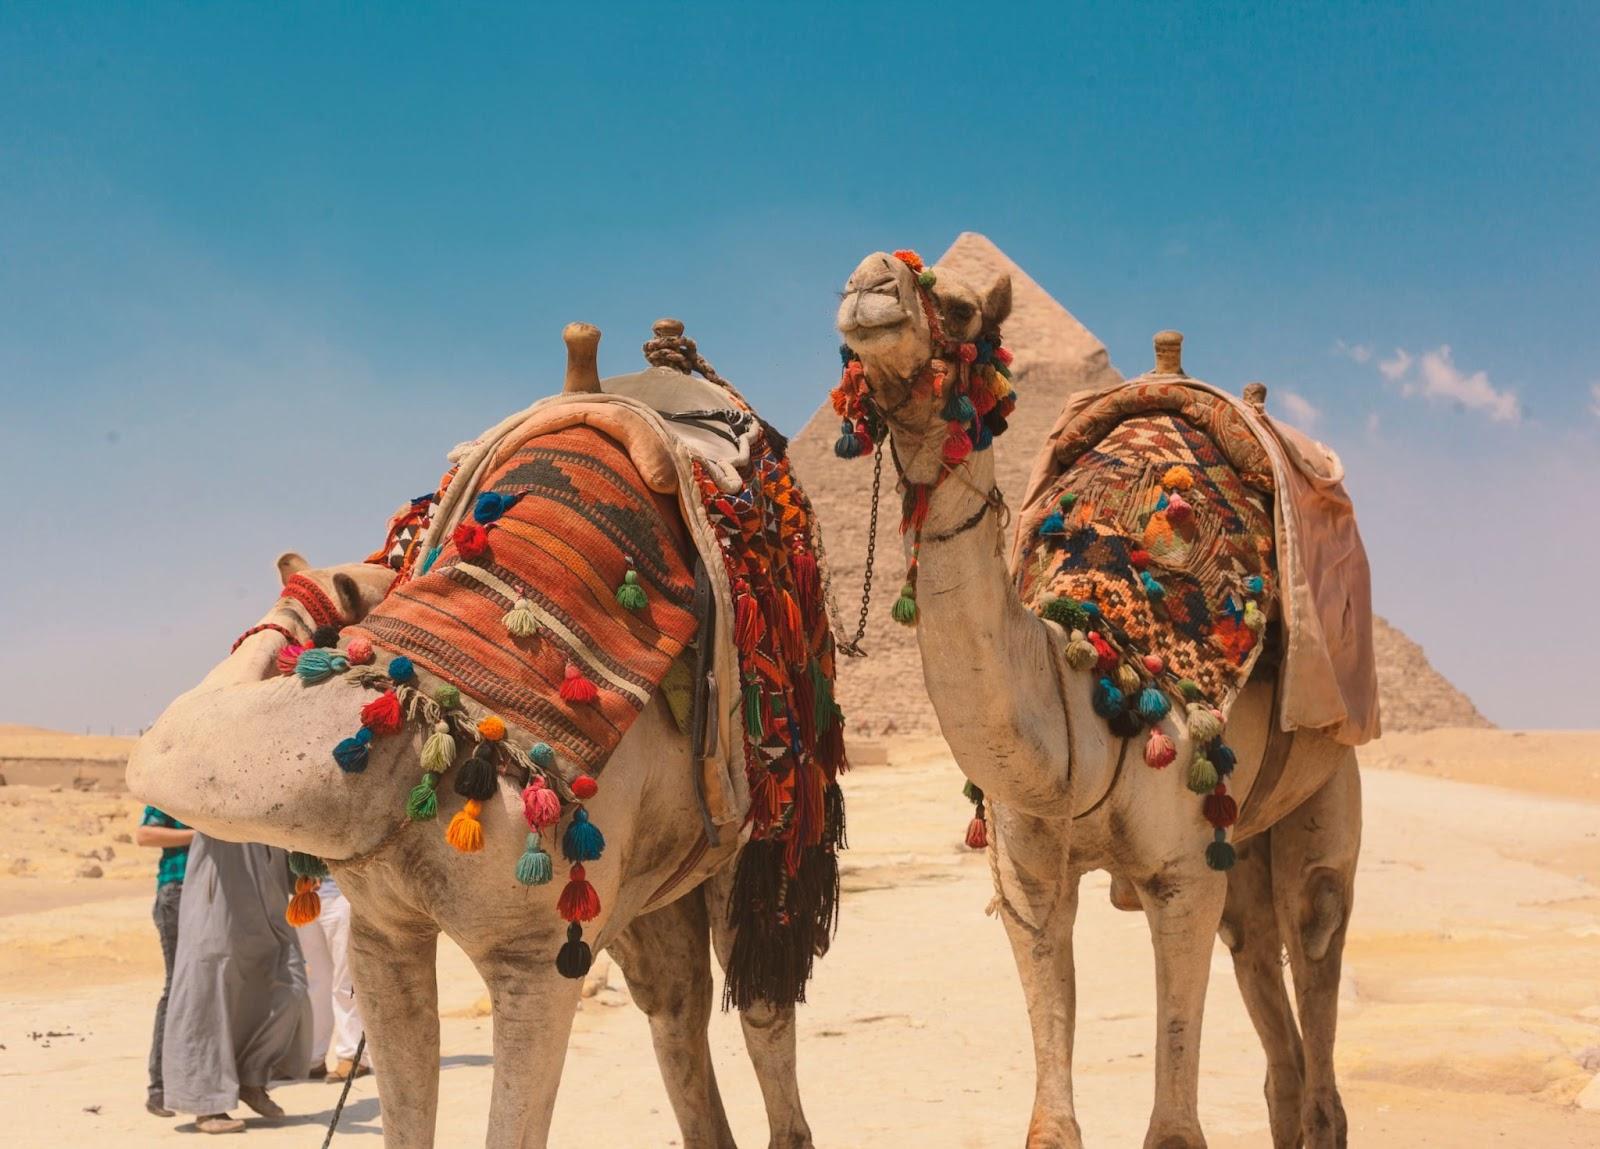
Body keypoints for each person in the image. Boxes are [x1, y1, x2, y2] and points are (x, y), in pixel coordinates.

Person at [160, 835, 312, 1134]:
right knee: (210, 999)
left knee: (291, 989)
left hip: (269, 909)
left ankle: (251, 1078)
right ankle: (207, 1105)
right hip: (219, 903)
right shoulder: (214, 794)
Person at [135, 806, 193, 1118]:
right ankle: (159, 1087)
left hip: (211, 894)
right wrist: (198, 838)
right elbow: (145, 834)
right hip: (179, 891)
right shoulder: (168, 792)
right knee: (176, 989)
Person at [296, 876, 372, 1083]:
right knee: (315, 982)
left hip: (339, 893)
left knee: (344, 981)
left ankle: (353, 1055)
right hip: (303, 896)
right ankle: (314, 1058)